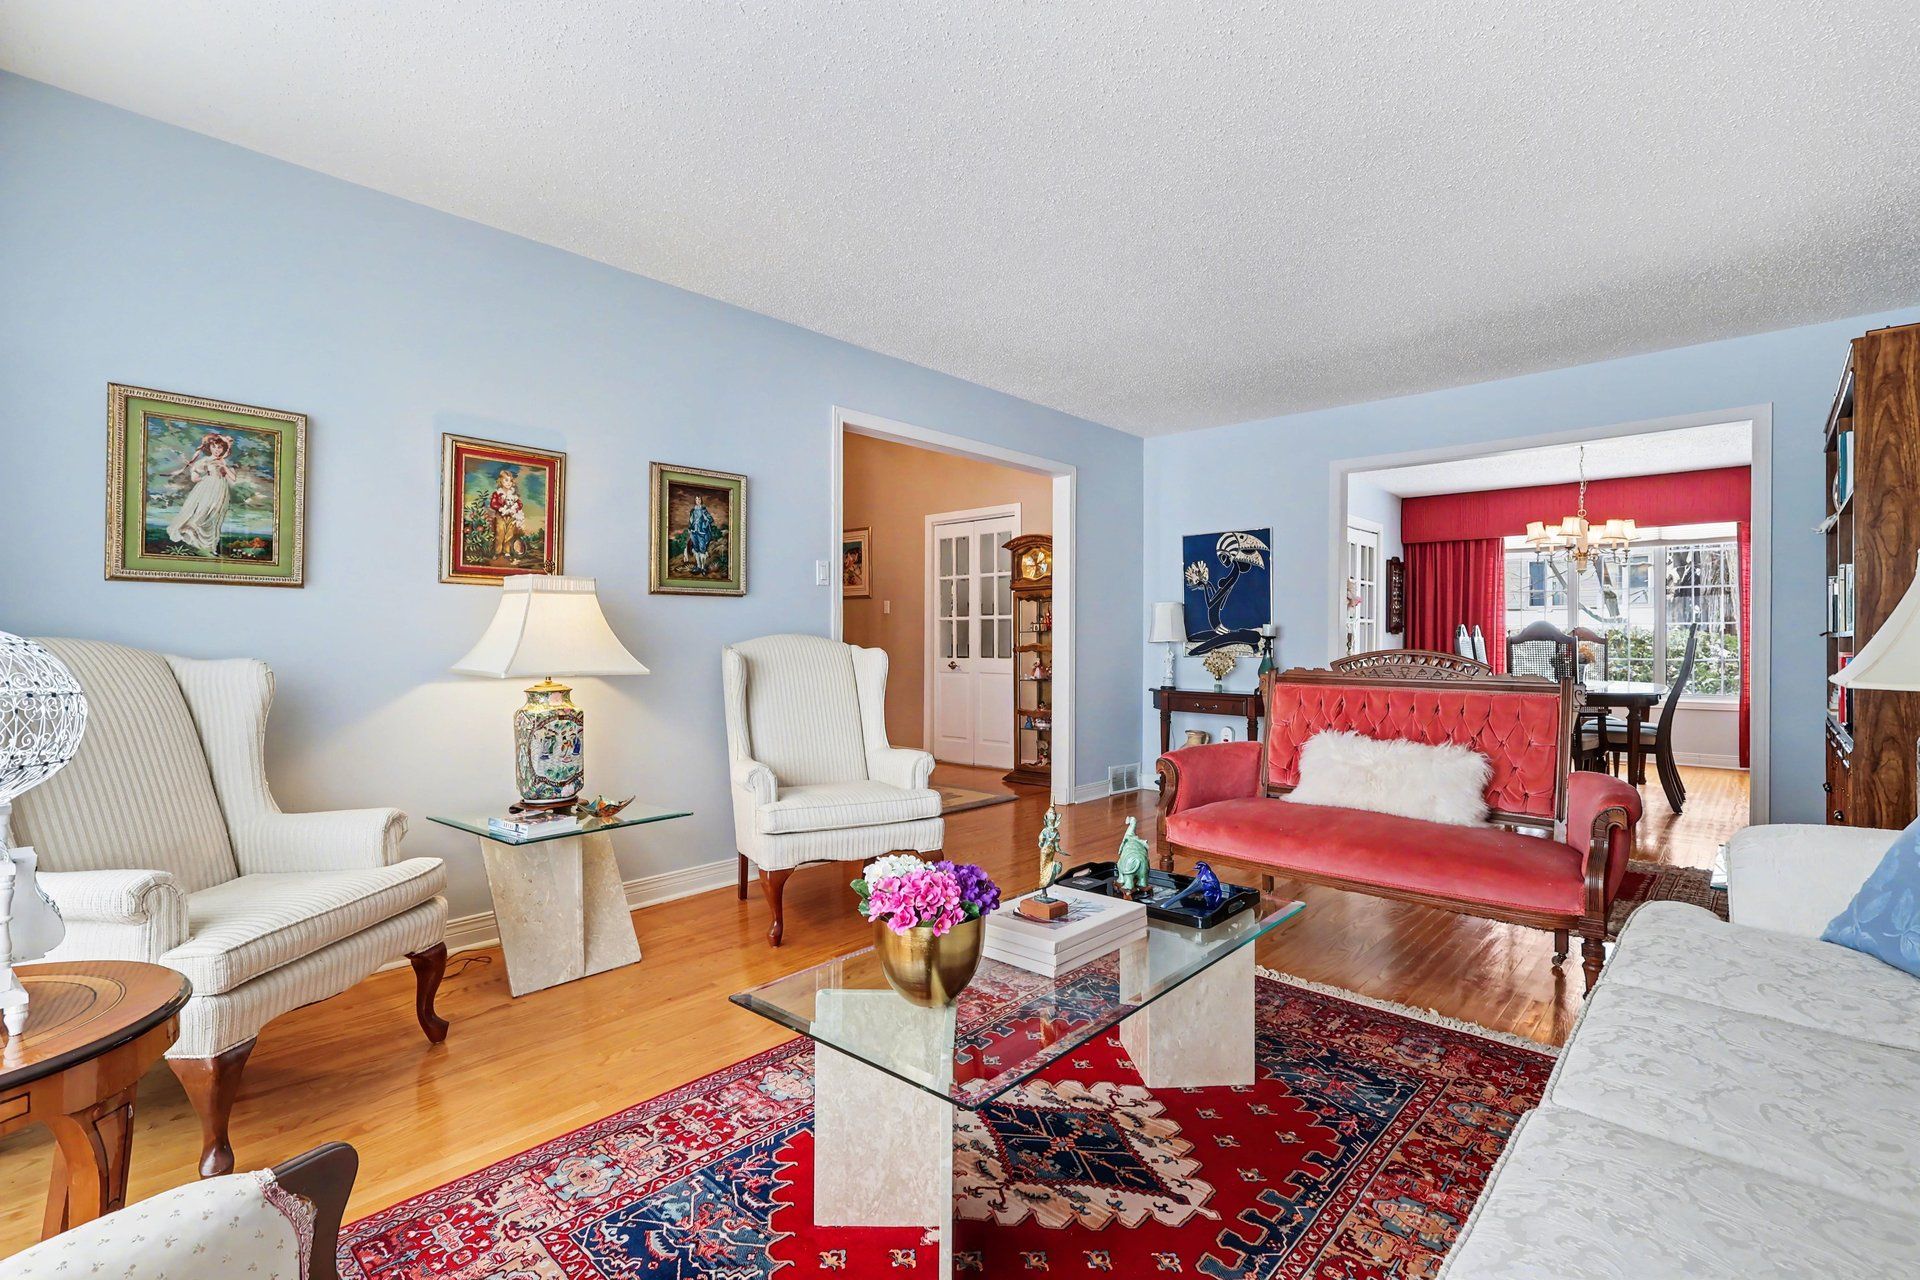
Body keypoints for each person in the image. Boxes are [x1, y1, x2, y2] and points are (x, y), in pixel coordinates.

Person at [166, 432, 237, 555]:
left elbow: (233, 478)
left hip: (220, 489)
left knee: (215, 515)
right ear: (209, 447)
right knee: (202, 511)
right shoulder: (206, 460)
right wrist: (195, 476)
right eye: (214, 447)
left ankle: (210, 546)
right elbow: (194, 473)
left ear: (223, 449)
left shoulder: (224, 462)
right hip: (207, 487)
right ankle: (190, 534)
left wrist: (224, 466)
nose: (217, 450)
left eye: (219, 447)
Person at [486, 469, 527, 564]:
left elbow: (520, 504)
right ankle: (497, 552)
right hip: (501, 516)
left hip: (512, 516)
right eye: (506, 480)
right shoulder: (497, 493)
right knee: (500, 533)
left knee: (509, 534)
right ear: (500, 481)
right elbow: (493, 504)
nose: (509, 483)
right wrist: (501, 508)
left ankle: (507, 552)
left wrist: (515, 507)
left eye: (511, 480)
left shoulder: (513, 494)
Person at [684, 494, 718, 574]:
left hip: (702, 532)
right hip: (694, 532)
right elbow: (691, 521)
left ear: (701, 500)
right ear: (695, 500)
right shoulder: (692, 510)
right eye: (696, 499)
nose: (698, 501)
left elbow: (710, 519)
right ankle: (698, 567)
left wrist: (704, 524)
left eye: (699, 499)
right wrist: (690, 528)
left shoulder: (703, 510)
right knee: (696, 549)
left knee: (702, 549)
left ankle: (703, 568)